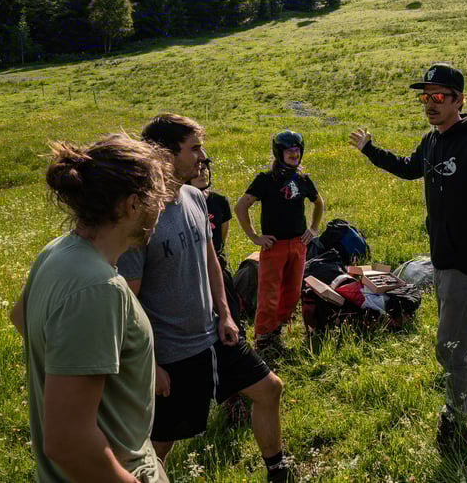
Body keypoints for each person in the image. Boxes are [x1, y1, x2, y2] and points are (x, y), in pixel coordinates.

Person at [348, 63, 467, 454]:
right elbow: (408, 169)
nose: (430, 104)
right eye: (425, 97)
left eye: (439, 96)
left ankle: (456, 422)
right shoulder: (432, 140)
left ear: (459, 100)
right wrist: (370, 150)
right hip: (443, 255)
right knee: (462, 326)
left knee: (450, 346)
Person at [117, 114, 292, 483]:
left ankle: (278, 472)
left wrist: (225, 314)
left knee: (269, 389)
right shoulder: (140, 217)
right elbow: (127, 301)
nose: (202, 156)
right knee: (159, 443)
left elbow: (211, 259)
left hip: (215, 337)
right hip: (172, 353)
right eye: (194, 148)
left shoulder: (195, 197)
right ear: (164, 154)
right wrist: (150, 364)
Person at [10, 133, 173, 483]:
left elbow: (20, 317)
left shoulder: (57, 251)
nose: (162, 208)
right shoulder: (98, 288)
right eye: (158, 199)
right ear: (132, 205)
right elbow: (68, 442)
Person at [235, 130, 325, 362]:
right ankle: (263, 337)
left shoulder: (303, 179)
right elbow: (241, 206)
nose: (294, 154)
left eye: (297, 150)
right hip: (273, 246)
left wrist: (313, 228)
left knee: (292, 292)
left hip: (298, 245)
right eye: (289, 151)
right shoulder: (265, 179)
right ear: (279, 152)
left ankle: (277, 329)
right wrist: (255, 237)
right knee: (269, 294)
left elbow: (319, 203)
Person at [188, 157, 249, 427]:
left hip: (218, 274)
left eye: (206, 167)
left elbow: (219, 244)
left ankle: (237, 393)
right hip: (193, 278)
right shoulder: (183, 204)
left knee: (234, 326)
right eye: (198, 168)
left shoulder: (219, 202)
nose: (203, 172)